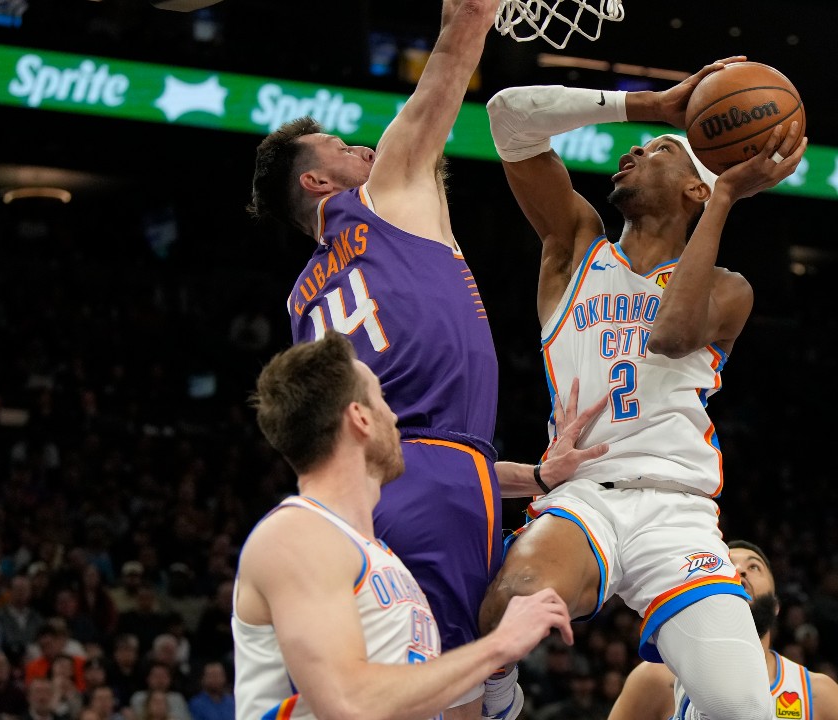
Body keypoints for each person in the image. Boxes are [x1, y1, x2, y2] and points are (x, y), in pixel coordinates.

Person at [245, 2, 606, 716]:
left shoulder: (301, 302)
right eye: (343, 148)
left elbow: (403, 446)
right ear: (319, 184)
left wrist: (534, 476)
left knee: (414, 682)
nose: (365, 152)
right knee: (450, 697)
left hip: (384, 493)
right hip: (438, 489)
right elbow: (458, 42)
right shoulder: (382, 197)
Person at [480, 58, 807, 719]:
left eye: (659, 152)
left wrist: (723, 198)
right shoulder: (575, 246)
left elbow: (668, 334)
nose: (633, 153)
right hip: (584, 495)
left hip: (677, 509)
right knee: (509, 600)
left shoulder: (728, 289)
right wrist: (651, 109)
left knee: (746, 708)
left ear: (694, 190)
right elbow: (507, 116)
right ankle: (497, 702)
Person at [233, 334, 576, 720]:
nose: (395, 417)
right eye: (382, 400)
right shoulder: (295, 536)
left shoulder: (379, 557)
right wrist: (500, 645)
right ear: (360, 418)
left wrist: (540, 477)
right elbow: (349, 702)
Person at [608, 541, 838, 720]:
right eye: (727, 563)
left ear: (776, 605)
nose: (739, 570)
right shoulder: (657, 678)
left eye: (754, 567)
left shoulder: (819, 694)